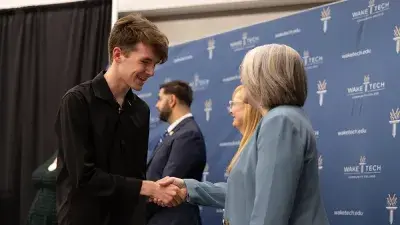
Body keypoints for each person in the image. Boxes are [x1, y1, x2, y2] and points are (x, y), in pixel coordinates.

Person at [155, 44, 330, 225]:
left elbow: (269, 214)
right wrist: (189, 189)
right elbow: (245, 192)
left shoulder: (280, 121)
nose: (242, 79)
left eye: (246, 72)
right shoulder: (283, 118)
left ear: (263, 78)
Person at [54, 13, 183, 225]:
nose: (151, 72)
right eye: (145, 62)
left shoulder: (140, 110)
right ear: (118, 54)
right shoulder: (77, 101)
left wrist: (155, 190)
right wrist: (147, 187)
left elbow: (135, 173)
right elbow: (83, 177)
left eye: (154, 65)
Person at [146, 80, 206, 225]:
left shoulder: (188, 135)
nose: (156, 105)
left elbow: (167, 186)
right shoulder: (177, 133)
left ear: (172, 100)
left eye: (160, 99)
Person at [26, 151, 59, 225]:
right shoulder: (57, 154)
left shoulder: (71, 156)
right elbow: (35, 177)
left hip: (53, 217)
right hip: (35, 215)